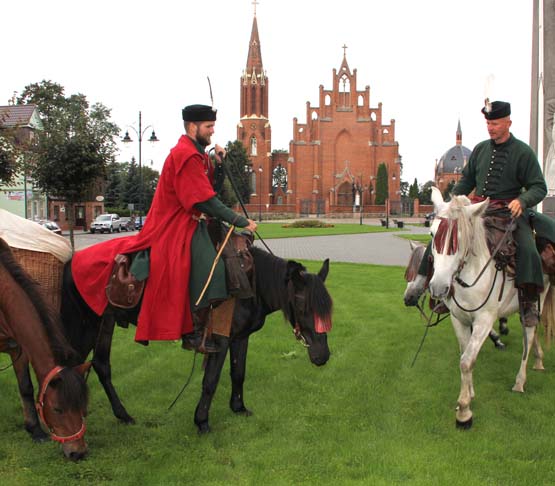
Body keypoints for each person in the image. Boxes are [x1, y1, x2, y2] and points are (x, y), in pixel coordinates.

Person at [71, 104, 257, 353]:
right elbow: (204, 200)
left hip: (190, 220)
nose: (213, 132)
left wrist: (219, 164)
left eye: (213, 126)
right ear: (193, 127)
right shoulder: (185, 155)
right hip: (172, 225)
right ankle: (192, 331)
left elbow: (208, 187)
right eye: (209, 126)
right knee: (210, 266)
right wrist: (241, 221)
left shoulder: (197, 154)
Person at [412, 100, 555, 327]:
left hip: (510, 213)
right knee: (443, 235)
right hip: (478, 211)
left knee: (528, 249)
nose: (490, 127)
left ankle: (528, 303)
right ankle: (424, 284)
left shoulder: (523, 152)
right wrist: (452, 205)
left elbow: (539, 186)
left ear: (508, 122)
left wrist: (523, 200)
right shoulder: (480, 149)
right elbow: (467, 180)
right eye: (488, 123)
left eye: (495, 123)